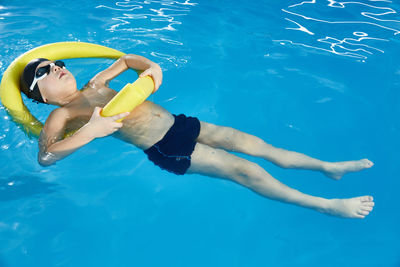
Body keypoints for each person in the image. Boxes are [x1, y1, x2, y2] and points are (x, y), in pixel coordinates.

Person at [19, 55, 375, 219]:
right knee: (248, 172)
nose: (57, 67)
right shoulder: (62, 115)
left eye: (57, 63)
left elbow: (128, 61)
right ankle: (326, 206)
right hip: (167, 147)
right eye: (45, 71)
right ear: (41, 97)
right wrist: (92, 131)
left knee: (261, 147)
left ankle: (328, 167)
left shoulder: (96, 83)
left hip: (183, 124)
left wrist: (152, 70)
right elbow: (46, 156)